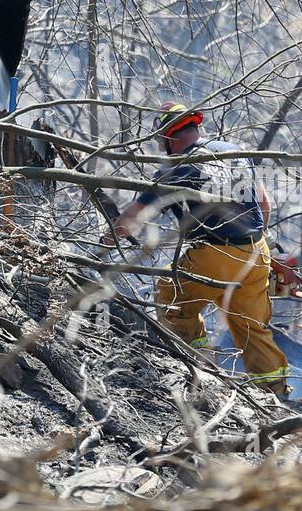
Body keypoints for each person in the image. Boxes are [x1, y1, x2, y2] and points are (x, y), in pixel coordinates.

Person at [110, 103, 292, 399]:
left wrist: (109, 237)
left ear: (167, 138)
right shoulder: (234, 153)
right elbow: (265, 204)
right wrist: (260, 246)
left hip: (214, 254)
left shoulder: (174, 170)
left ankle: (199, 369)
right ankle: (275, 393)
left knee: (172, 297)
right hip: (257, 252)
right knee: (251, 327)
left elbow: (131, 220)